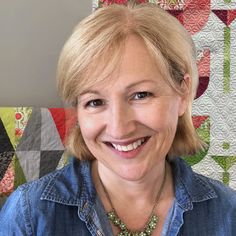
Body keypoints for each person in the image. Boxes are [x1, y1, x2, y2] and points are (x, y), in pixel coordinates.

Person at [0, 2, 236, 236]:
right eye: (95, 102)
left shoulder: (228, 214)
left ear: (183, 93)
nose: (119, 127)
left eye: (140, 95)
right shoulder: (30, 215)